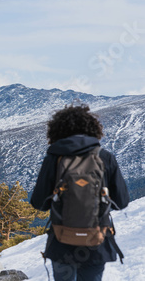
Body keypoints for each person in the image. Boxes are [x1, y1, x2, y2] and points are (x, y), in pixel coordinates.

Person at [30, 104, 129, 281]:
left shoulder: (54, 158)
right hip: (96, 241)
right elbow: (121, 202)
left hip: (61, 241)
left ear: (57, 131)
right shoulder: (105, 157)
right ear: (92, 129)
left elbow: (39, 203)